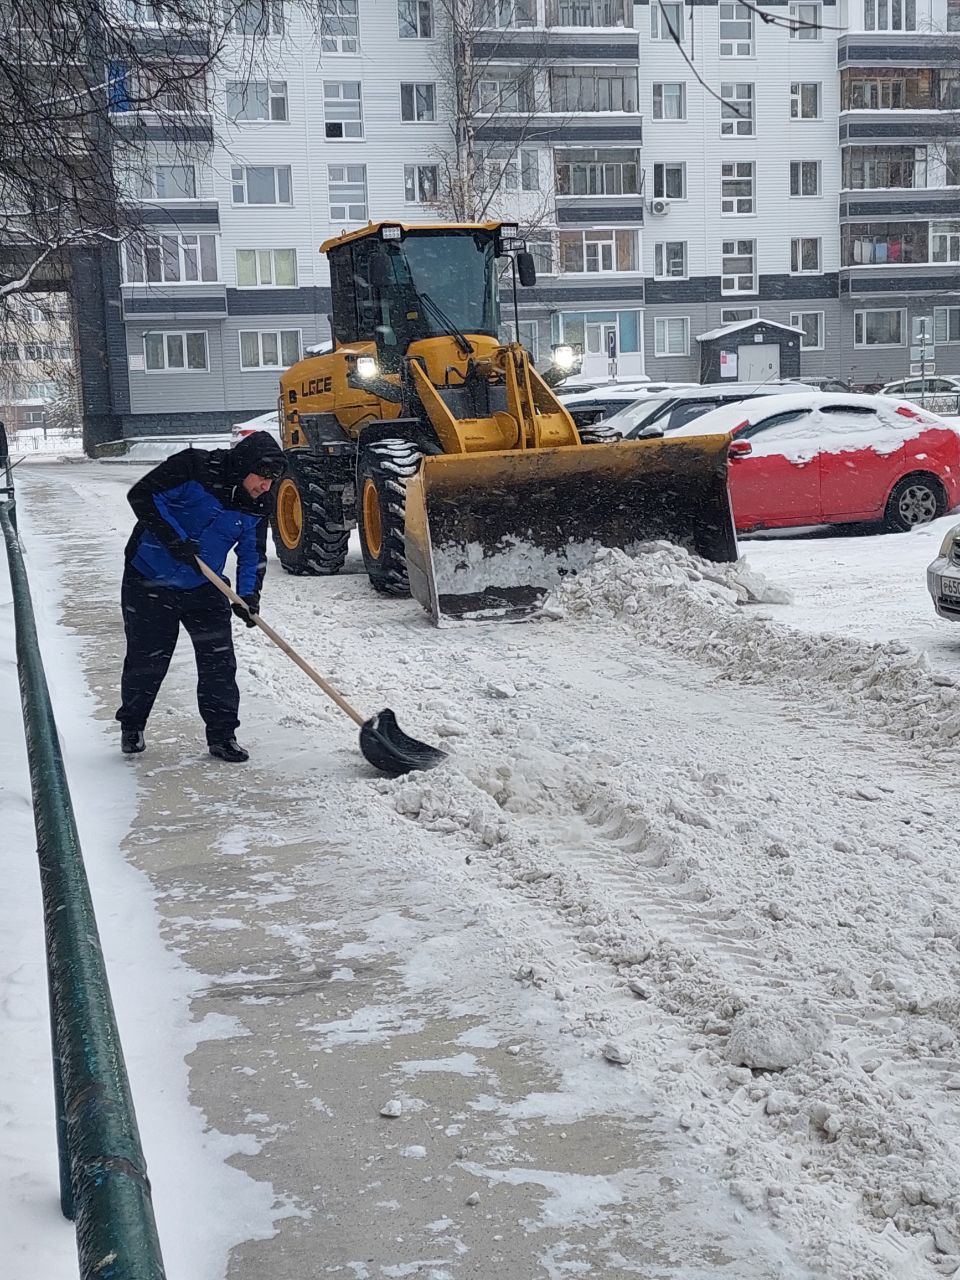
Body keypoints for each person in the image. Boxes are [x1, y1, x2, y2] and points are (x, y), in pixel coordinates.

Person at [116, 430, 285, 762]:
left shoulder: (258, 501)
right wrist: (175, 540)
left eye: (271, 482)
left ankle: (223, 736)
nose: (265, 487)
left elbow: (252, 552)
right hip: (149, 578)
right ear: (245, 465)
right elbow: (143, 495)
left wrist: (249, 596)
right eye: (262, 477)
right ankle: (132, 725)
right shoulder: (193, 467)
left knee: (218, 663)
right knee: (147, 660)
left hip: (204, 587)